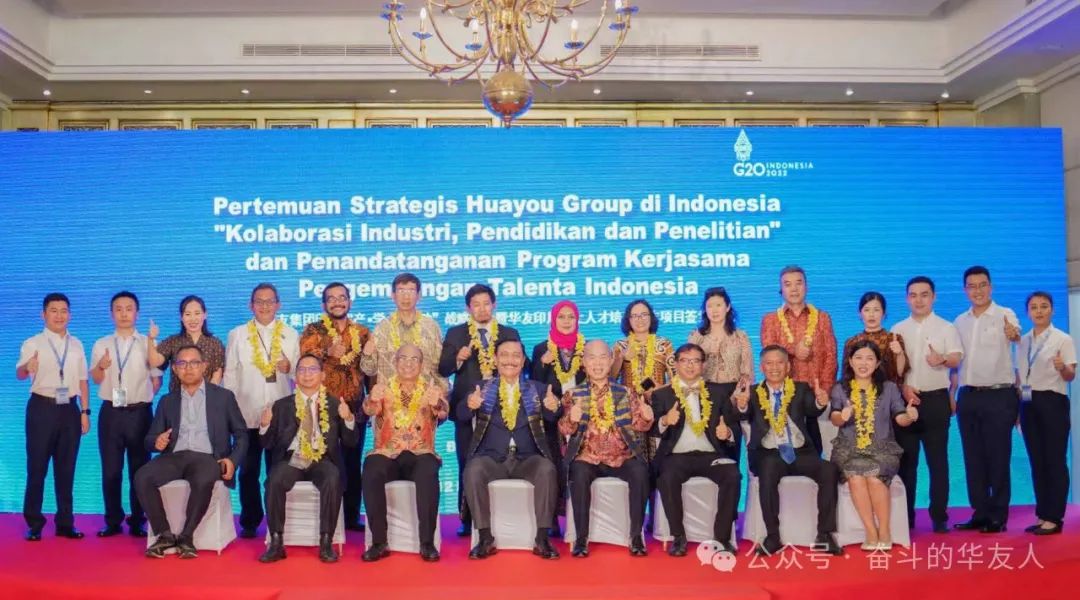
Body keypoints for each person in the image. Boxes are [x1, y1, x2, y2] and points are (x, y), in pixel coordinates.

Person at [135, 345, 247, 559]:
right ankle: (164, 534)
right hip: (174, 457)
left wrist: (233, 460)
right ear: (175, 369)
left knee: (203, 478)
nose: (188, 368)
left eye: (194, 363)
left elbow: (242, 434)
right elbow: (149, 440)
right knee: (142, 477)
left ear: (204, 366)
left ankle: (187, 536)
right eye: (182, 363)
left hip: (208, 457)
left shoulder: (223, 397)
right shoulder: (167, 401)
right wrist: (157, 442)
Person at [459, 339, 561, 560]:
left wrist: (554, 407)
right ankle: (485, 538)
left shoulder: (538, 389)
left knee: (547, 469)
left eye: (516, 355)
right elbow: (460, 414)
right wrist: (469, 404)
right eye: (504, 355)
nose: (510, 360)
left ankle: (542, 538)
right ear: (495, 360)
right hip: (492, 460)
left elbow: (553, 417)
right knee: (473, 469)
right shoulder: (481, 388)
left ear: (523, 361)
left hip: (528, 459)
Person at [738, 345, 842, 556]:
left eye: (779, 363)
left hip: (801, 452)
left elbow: (812, 409)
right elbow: (742, 414)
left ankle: (824, 535)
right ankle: (772, 536)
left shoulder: (800, 389)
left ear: (788, 367)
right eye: (769, 363)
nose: (774, 367)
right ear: (762, 367)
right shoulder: (754, 392)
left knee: (829, 470)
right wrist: (741, 405)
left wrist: (820, 402)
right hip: (769, 453)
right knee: (768, 470)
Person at [258, 354, 359, 563]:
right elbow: (266, 444)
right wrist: (265, 425)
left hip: (323, 459)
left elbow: (351, 442)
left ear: (322, 375)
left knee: (332, 477)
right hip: (292, 458)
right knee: (274, 479)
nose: (307, 374)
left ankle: (326, 542)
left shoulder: (335, 404)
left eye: (312, 369)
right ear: (295, 376)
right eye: (302, 370)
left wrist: (349, 419)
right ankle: (276, 542)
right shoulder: (281, 406)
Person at [438, 283, 521, 538]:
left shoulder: (508, 333)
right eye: (476, 304)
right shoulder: (456, 333)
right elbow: (442, 369)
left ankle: (500, 515)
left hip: (502, 410)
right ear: (468, 308)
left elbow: (521, 364)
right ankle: (467, 518)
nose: (482, 309)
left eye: (486, 303)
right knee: (467, 461)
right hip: (467, 409)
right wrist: (458, 358)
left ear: (494, 304)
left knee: (501, 460)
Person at [560, 340, 654, 558]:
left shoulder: (625, 392)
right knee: (578, 472)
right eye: (592, 358)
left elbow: (639, 426)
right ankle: (581, 539)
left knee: (640, 471)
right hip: (588, 457)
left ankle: (636, 536)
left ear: (611, 360)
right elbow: (564, 429)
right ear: (583, 363)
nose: (598, 363)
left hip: (621, 456)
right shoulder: (573, 394)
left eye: (603, 357)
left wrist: (647, 418)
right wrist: (571, 419)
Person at [223, 283, 300, 538]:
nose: (265, 306)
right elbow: (230, 375)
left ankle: (278, 521)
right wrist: (230, 413)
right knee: (248, 472)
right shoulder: (237, 334)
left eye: (270, 301)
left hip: (280, 417)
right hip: (246, 413)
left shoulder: (291, 334)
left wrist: (289, 367)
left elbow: (302, 374)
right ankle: (250, 521)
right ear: (251, 305)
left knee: (278, 471)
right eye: (259, 301)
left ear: (278, 304)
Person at [360, 344, 448, 563]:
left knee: (428, 469)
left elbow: (443, 413)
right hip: (388, 452)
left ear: (422, 364)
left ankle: (427, 543)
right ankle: (379, 542)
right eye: (403, 359)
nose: (408, 364)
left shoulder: (432, 389)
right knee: (371, 468)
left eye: (414, 359)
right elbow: (369, 410)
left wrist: (437, 403)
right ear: (395, 362)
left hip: (420, 452)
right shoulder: (383, 388)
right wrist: (371, 399)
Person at [651, 343, 740, 557]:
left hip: (712, 455)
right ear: (675, 364)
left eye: (695, 361)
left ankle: (722, 537)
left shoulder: (718, 393)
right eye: (684, 360)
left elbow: (734, 425)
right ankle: (678, 537)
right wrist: (665, 420)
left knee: (733, 475)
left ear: (703, 365)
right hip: (676, 456)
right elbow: (652, 428)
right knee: (667, 478)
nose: (690, 366)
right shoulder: (662, 395)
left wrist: (727, 432)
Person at [829, 340, 918, 551]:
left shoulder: (889, 388)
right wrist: (843, 416)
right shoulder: (840, 389)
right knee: (856, 477)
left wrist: (910, 416)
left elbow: (900, 417)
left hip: (882, 449)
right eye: (858, 358)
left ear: (877, 363)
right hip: (848, 450)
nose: (863, 363)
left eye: (870, 359)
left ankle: (884, 531)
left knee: (875, 478)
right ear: (850, 361)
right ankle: (871, 532)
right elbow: (834, 418)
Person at [16, 292, 91, 541]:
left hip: (69, 409)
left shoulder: (77, 344)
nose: (59, 315)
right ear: (43, 314)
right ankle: (34, 523)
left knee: (66, 469)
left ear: (70, 314)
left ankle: (65, 523)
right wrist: (27, 367)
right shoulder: (32, 343)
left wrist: (85, 411)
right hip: (42, 408)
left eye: (64, 311)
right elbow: (20, 373)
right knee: (37, 468)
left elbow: (83, 380)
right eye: (53, 310)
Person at [890, 276, 963, 533]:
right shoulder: (898, 329)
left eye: (924, 294)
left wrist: (941, 359)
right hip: (906, 401)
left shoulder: (946, 327)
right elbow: (893, 370)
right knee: (906, 463)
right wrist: (903, 387)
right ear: (906, 298)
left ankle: (939, 515)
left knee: (938, 462)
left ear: (934, 297)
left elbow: (956, 358)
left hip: (936, 401)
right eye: (913, 295)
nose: (918, 300)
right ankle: (906, 517)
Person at [952, 266, 1020, 533]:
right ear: (965, 290)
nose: (977, 291)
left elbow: (1015, 334)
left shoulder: (1005, 314)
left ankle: (998, 515)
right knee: (973, 457)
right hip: (968, 396)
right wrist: (952, 394)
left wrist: (1012, 333)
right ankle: (980, 512)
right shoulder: (960, 321)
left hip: (999, 395)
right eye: (972, 286)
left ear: (990, 287)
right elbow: (956, 361)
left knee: (998, 456)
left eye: (982, 285)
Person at [299, 281, 371, 532]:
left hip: (355, 407)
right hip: (322, 405)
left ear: (350, 302)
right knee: (325, 460)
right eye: (331, 298)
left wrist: (372, 401)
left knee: (352, 461)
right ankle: (327, 516)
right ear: (324, 305)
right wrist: (328, 350)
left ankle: (351, 517)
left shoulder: (362, 332)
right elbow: (305, 359)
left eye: (342, 298)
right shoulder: (314, 330)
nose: (337, 302)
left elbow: (370, 371)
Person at [90, 291, 161, 538]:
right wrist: (101, 367)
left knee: (139, 470)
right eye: (118, 309)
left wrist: (143, 396)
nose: (124, 314)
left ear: (137, 313)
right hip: (111, 413)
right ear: (111, 313)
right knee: (111, 470)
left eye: (129, 309)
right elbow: (95, 378)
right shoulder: (101, 344)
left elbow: (157, 378)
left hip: (140, 414)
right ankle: (112, 520)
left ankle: (138, 520)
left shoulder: (147, 342)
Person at [760, 266, 837, 455]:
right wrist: (794, 350)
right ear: (781, 290)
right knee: (785, 451)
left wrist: (824, 391)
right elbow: (770, 351)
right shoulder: (770, 319)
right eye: (788, 284)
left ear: (806, 287)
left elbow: (831, 355)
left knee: (816, 448)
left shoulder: (822, 318)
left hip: (816, 392)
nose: (794, 289)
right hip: (783, 394)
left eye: (798, 283)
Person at [1017, 291, 1076, 536]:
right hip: (1028, 401)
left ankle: (1055, 517)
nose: (1039, 311)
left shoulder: (1062, 339)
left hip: (1053, 401)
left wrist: (1062, 368)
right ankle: (1043, 514)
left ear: (1052, 309)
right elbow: (1022, 377)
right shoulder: (1023, 341)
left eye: (1044, 306)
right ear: (1028, 312)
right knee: (1037, 461)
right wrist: (1019, 410)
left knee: (1054, 460)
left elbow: (1071, 375)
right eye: (1034, 307)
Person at [530, 299, 587, 535]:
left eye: (570, 317)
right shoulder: (541, 348)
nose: (566, 321)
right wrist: (543, 364)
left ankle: (578, 518)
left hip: (579, 415)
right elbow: (533, 383)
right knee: (553, 465)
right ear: (553, 320)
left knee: (577, 464)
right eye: (561, 317)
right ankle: (551, 517)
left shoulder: (585, 348)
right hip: (551, 417)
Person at [687, 287, 753, 460]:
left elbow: (747, 372)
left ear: (728, 307)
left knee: (730, 440)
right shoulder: (697, 336)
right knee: (707, 444)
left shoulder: (740, 336)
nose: (714, 310)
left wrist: (736, 397)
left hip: (733, 393)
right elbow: (688, 369)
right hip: (705, 393)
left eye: (718, 305)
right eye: (710, 306)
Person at [361, 273, 444, 386]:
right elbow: (370, 371)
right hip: (389, 394)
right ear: (393, 295)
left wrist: (442, 391)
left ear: (419, 295)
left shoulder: (431, 327)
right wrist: (367, 355)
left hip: (424, 394)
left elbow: (439, 367)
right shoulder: (381, 328)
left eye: (411, 290)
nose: (406, 296)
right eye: (401, 291)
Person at [148, 295, 225, 393]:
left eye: (197, 313)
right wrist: (150, 339)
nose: (193, 319)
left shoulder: (215, 343)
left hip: (207, 398)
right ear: (181, 317)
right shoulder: (173, 341)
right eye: (188, 314)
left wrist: (206, 396)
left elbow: (217, 374)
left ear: (205, 315)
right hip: (177, 398)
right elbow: (154, 362)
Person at [842, 292, 908, 386]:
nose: (871, 314)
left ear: (884, 313)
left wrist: (900, 354)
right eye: (867, 310)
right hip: (859, 393)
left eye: (876, 310)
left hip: (888, 392)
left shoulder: (894, 339)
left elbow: (900, 373)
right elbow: (846, 375)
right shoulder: (851, 342)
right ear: (860, 314)